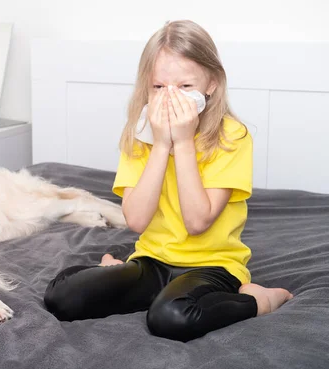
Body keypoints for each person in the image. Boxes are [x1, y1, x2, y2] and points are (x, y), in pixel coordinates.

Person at [43, 20, 293, 342]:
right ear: (146, 87)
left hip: (212, 265)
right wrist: (161, 144)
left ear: (212, 84)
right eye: (159, 87)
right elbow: (136, 220)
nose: (169, 99)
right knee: (62, 297)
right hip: (151, 261)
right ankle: (118, 271)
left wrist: (185, 142)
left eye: (185, 87)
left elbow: (197, 221)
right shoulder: (141, 136)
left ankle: (259, 299)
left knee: (169, 318)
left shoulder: (232, 137)